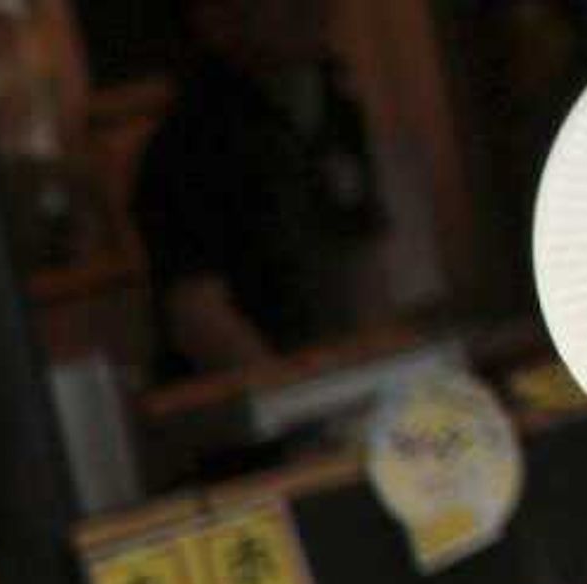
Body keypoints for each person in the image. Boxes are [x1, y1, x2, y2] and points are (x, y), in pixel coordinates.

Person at [128, 0, 391, 378]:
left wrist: (377, 375)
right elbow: (198, 313)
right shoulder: (188, 144)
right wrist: (293, 395)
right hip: (257, 410)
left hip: (335, 386)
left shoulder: (337, 112)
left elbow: (362, 264)